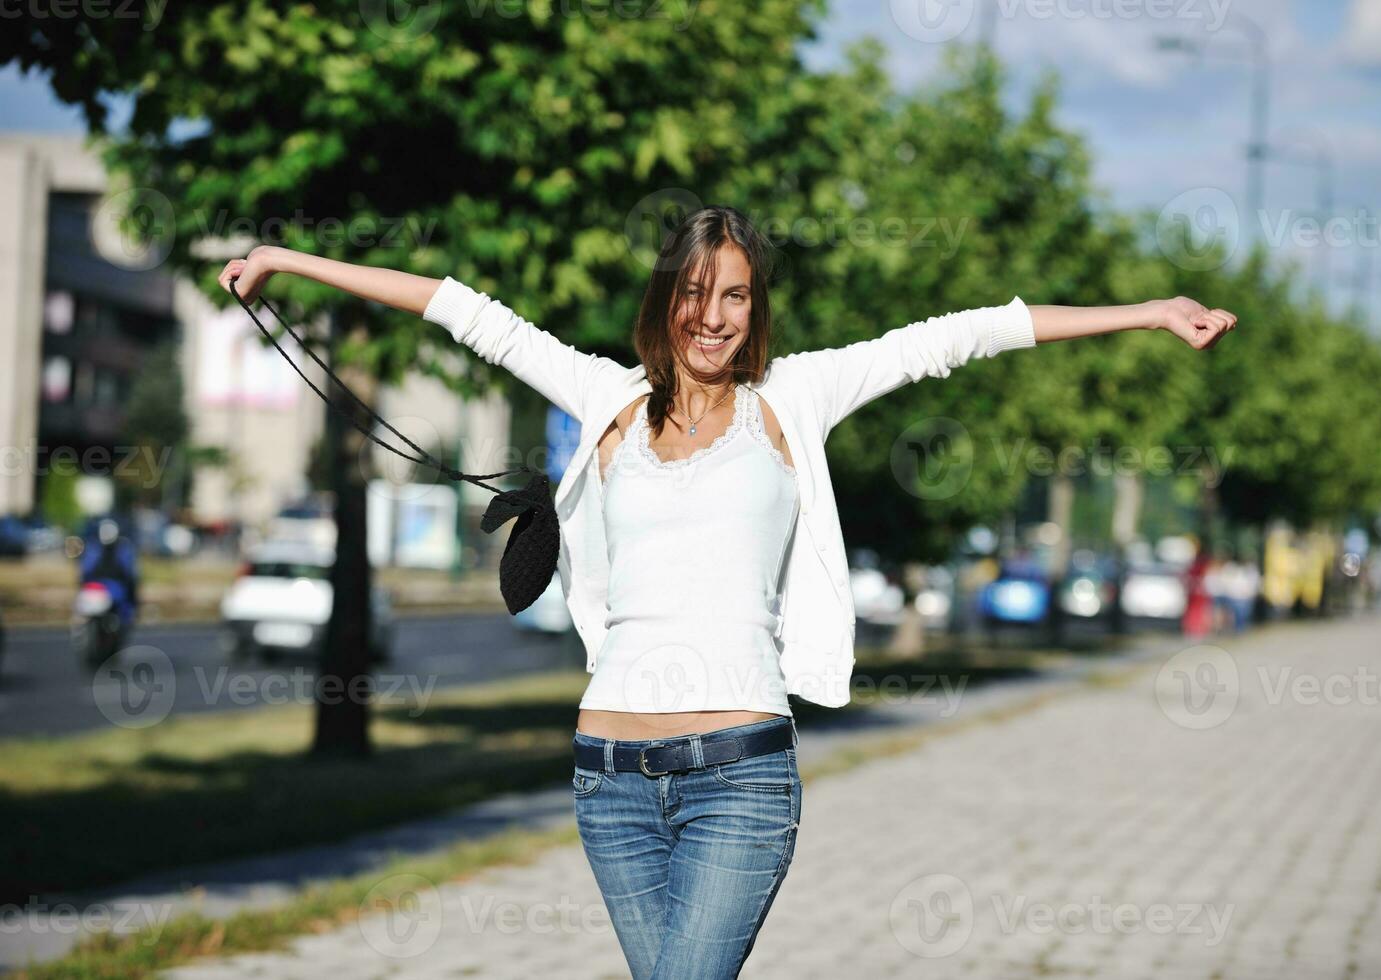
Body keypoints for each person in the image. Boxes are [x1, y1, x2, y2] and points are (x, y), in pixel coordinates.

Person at [218, 206, 1237, 978]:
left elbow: (964, 331)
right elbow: (457, 307)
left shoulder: (794, 396)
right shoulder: (603, 396)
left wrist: (1148, 313)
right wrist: (286, 262)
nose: (713, 316)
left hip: (739, 779)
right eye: (695, 292)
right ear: (667, 299)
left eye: (735, 294)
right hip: (607, 780)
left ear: (756, 306)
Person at [78, 518, 140, 630]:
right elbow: (130, 575)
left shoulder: (93, 548)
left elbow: (84, 572)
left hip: (101, 590)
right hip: (108, 589)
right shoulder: (122, 550)